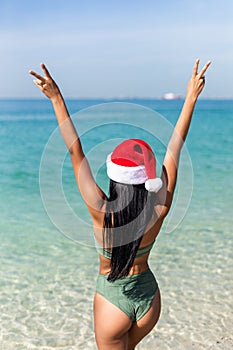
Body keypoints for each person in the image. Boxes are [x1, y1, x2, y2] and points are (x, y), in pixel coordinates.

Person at [29, 59, 211, 350]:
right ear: (147, 177)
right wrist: (190, 97)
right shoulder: (159, 209)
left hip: (113, 302)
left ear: (115, 176)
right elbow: (175, 146)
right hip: (149, 300)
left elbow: (76, 152)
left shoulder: (102, 212)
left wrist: (56, 98)